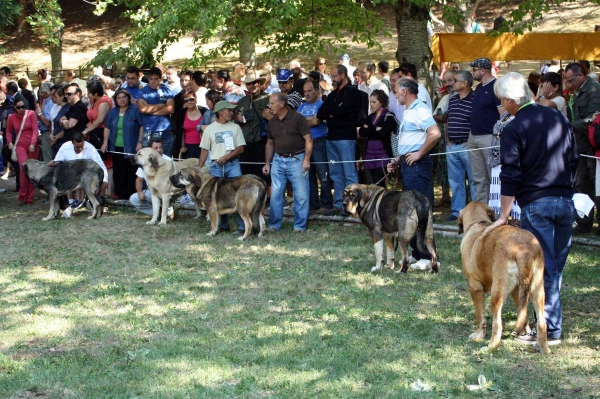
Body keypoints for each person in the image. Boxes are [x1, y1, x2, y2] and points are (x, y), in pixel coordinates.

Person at [485, 72, 579, 347]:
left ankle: (549, 330)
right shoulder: (558, 117)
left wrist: (504, 213)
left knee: (544, 269)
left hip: (537, 202)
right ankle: (549, 324)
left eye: (502, 99)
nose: (501, 104)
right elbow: (573, 158)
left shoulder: (514, 128)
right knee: (553, 268)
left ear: (511, 99)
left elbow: (510, 173)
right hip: (564, 201)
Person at [387, 77, 441, 270]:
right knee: (412, 212)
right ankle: (418, 253)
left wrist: (419, 153)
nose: (394, 95)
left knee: (421, 211)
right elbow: (411, 140)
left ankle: (429, 257)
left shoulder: (420, 109)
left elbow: (434, 133)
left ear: (404, 92)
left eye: (395, 90)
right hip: (408, 166)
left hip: (418, 167)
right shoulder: (410, 111)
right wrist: (398, 159)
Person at [262, 92, 313, 232]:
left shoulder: (298, 118)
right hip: (278, 159)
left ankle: (299, 226)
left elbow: (308, 139)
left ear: (281, 104)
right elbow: (270, 143)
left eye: (272, 103)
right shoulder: (272, 121)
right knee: (276, 194)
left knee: (301, 194)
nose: (269, 106)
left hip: (297, 159)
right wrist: (267, 163)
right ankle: (274, 225)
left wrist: (306, 160)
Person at [316, 64, 361, 214]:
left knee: (349, 172)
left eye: (334, 76)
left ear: (343, 75)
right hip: (331, 138)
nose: (332, 79)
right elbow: (321, 112)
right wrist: (334, 113)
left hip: (346, 138)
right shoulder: (332, 95)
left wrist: (336, 112)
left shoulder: (353, 93)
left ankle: (352, 205)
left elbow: (343, 110)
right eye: (331, 76)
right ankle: (339, 204)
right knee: (335, 173)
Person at [198, 100, 246, 235]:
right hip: (216, 167)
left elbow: (241, 148)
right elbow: (204, 150)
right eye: (229, 110)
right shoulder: (210, 129)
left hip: (232, 165)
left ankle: (242, 227)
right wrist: (199, 168)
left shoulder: (235, 127)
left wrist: (227, 157)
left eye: (232, 110)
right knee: (218, 196)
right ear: (220, 112)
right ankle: (222, 226)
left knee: (238, 194)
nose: (232, 113)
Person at [564, 62, 600, 234]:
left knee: (596, 185)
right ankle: (584, 222)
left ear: (580, 75)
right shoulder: (576, 93)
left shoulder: (594, 89)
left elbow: (593, 117)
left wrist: (571, 126)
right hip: (580, 145)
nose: (569, 84)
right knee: (581, 184)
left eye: (570, 80)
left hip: (593, 145)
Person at [468, 57, 504, 204]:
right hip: (474, 136)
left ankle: (497, 211)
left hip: (489, 136)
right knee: (478, 178)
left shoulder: (496, 86)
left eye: (474, 70)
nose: (473, 73)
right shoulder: (478, 88)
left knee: (493, 176)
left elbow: (503, 115)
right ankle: (482, 210)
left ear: (483, 70)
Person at [297, 79, 334, 214]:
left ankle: (327, 204)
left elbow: (316, 122)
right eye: (305, 91)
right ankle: (313, 203)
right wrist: (309, 119)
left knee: (322, 174)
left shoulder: (322, 105)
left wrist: (305, 120)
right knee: (308, 175)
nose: (306, 94)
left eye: (310, 91)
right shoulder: (301, 106)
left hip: (319, 142)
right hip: (304, 143)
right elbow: (298, 122)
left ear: (317, 91)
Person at [445, 70, 476, 221]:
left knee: (474, 180)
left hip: (466, 145)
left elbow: (475, 121)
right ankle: (457, 212)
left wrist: (469, 141)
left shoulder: (475, 98)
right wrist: (447, 139)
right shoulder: (452, 99)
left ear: (464, 84)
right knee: (455, 181)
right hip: (452, 146)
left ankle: (477, 211)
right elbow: (449, 119)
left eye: (455, 80)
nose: (451, 83)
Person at [51, 132, 109, 213]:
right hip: (69, 175)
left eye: (82, 146)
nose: (80, 149)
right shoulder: (65, 147)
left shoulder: (90, 148)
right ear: (72, 143)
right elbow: (56, 163)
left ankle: (82, 200)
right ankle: (70, 202)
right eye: (77, 147)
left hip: (84, 176)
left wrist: (105, 181)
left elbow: (101, 166)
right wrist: (52, 163)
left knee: (84, 176)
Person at [103, 88, 143, 200]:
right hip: (115, 146)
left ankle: (131, 196)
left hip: (131, 145)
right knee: (118, 171)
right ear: (116, 99)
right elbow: (107, 127)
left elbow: (141, 126)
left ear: (128, 98)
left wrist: (140, 142)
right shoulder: (113, 112)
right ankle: (120, 195)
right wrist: (105, 142)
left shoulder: (135, 110)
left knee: (131, 171)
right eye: (119, 98)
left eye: (124, 97)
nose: (122, 100)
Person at [234, 69, 270, 179]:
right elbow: (236, 121)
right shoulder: (242, 101)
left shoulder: (268, 99)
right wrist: (238, 119)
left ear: (259, 83)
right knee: (246, 175)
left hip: (261, 142)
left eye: (254, 82)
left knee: (262, 175)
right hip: (245, 144)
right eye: (249, 83)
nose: (252, 86)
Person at [358, 89, 397, 186]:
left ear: (382, 102)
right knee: (372, 184)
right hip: (369, 156)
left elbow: (384, 133)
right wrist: (375, 129)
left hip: (383, 156)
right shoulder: (370, 117)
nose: (371, 104)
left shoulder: (389, 116)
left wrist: (370, 130)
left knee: (380, 185)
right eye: (370, 102)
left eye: (374, 102)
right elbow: (362, 132)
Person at [6, 98, 39, 204]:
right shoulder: (11, 117)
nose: (21, 109)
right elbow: (8, 131)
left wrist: (33, 143)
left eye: (23, 107)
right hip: (20, 144)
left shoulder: (31, 114)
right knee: (22, 168)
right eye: (19, 107)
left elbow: (35, 129)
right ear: (15, 107)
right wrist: (10, 142)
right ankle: (22, 193)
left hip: (32, 145)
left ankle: (30, 196)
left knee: (31, 170)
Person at [129, 138, 173, 218]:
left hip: (168, 192)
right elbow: (139, 180)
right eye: (156, 148)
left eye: (160, 147)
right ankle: (157, 214)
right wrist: (139, 192)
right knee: (134, 198)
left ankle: (168, 209)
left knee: (163, 194)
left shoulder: (169, 161)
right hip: (152, 191)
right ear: (149, 150)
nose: (159, 150)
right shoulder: (144, 160)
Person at [137, 66, 175, 156]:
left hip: (165, 130)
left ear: (160, 78)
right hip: (149, 130)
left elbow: (171, 109)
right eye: (151, 79)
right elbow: (142, 109)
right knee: (150, 160)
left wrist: (150, 111)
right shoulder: (142, 92)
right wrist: (162, 105)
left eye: (156, 79)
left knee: (166, 159)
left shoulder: (166, 90)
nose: (153, 81)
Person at [175, 88, 204, 159]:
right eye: (186, 101)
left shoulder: (204, 112)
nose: (189, 102)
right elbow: (180, 131)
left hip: (202, 147)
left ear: (195, 99)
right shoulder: (181, 113)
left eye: (191, 99)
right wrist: (182, 146)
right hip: (187, 148)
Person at [35, 81, 55, 162]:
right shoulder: (48, 102)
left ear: (45, 92)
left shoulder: (50, 103)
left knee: (48, 158)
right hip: (47, 133)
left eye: (42, 91)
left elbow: (48, 123)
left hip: (47, 134)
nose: (42, 94)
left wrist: (39, 114)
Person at [49, 85, 71, 154]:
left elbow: (67, 128)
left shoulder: (68, 108)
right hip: (56, 141)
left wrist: (56, 137)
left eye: (56, 97)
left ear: (62, 97)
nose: (54, 99)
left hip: (63, 142)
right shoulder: (60, 108)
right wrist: (51, 134)